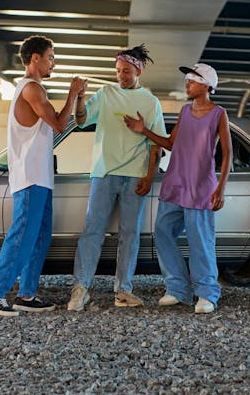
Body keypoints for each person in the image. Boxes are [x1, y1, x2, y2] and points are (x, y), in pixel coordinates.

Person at [0, 35, 86, 317]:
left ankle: (26, 295)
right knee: (21, 236)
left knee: (40, 237)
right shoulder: (31, 90)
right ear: (36, 58)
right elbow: (59, 124)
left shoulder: (34, 89)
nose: (54, 62)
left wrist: (77, 98)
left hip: (41, 177)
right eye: (51, 56)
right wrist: (73, 92)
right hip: (29, 178)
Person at [123, 63, 231, 314]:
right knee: (162, 232)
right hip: (175, 183)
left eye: (192, 80)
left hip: (201, 187)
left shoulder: (219, 114)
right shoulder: (184, 111)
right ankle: (178, 288)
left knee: (200, 241)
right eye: (187, 80)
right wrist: (144, 131)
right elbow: (171, 143)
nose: (187, 84)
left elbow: (227, 154)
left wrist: (221, 188)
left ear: (206, 86)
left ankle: (207, 293)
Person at [67, 44, 166, 311]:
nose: (121, 75)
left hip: (135, 175)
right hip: (104, 173)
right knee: (92, 231)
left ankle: (123, 291)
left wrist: (149, 177)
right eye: (118, 71)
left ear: (139, 70)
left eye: (126, 71)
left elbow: (156, 144)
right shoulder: (105, 93)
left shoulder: (150, 102)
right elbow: (81, 120)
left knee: (130, 235)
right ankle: (80, 289)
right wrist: (79, 98)